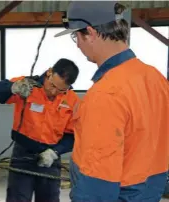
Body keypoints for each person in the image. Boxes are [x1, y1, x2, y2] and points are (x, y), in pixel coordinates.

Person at [54, 1, 169, 201]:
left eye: (76, 36)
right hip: (151, 190)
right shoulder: (155, 77)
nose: (78, 44)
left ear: (90, 33)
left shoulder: (106, 93)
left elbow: (97, 184)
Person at [0, 59, 80, 202]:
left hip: (50, 159)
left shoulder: (72, 100)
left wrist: (54, 152)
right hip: (23, 155)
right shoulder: (28, 86)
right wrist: (13, 87)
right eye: (52, 85)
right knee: (17, 198)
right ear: (49, 72)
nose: (54, 92)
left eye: (61, 90)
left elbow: (73, 135)